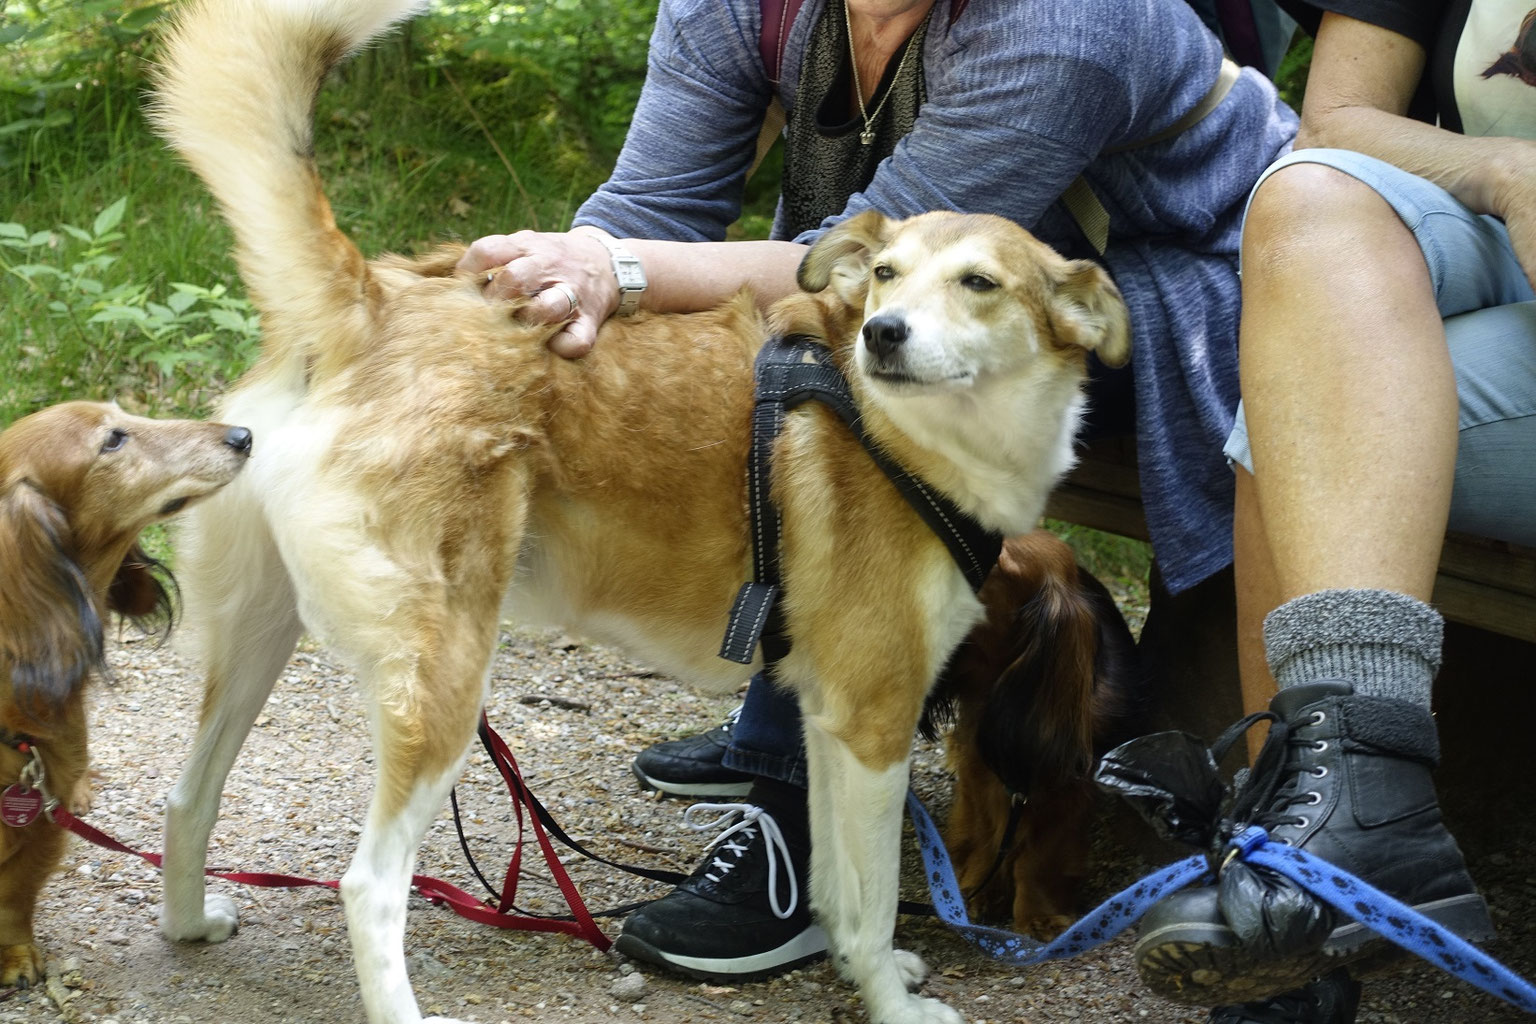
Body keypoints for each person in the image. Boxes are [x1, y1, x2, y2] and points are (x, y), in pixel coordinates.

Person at [459, 0, 1297, 983]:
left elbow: (848, 288)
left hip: (1175, 301)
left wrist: (623, 270)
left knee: (827, 369)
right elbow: (647, 211)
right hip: (935, 292)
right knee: (761, 346)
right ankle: (805, 694)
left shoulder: (1069, 21)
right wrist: (550, 306)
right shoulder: (733, 9)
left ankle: (795, 830)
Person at [1132, 1, 1536, 1021]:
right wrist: (1506, 171)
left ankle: (1298, 882)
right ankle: (1330, 834)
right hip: (1497, 227)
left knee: (1305, 404)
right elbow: (1338, 120)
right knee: (1312, 213)